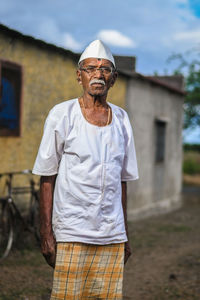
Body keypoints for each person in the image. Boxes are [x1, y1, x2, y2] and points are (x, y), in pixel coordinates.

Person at [32, 40, 139, 300]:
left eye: (105, 70)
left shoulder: (122, 119)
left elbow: (122, 181)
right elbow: (47, 176)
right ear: (79, 76)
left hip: (111, 235)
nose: (98, 75)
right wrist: (46, 233)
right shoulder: (62, 114)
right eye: (91, 69)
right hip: (71, 231)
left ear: (113, 79)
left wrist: (124, 234)